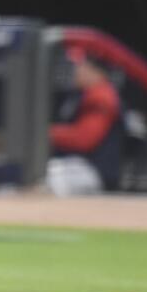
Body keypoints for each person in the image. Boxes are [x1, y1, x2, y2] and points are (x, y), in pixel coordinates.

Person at [46, 47, 122, 195]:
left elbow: (84, 139)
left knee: (46, 180)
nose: (76, 71)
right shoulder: (82, 94)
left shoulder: (102, 95)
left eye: (81, 66)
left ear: (96, 71)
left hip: (93, 170)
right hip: (77, 166)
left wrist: (48, 133)